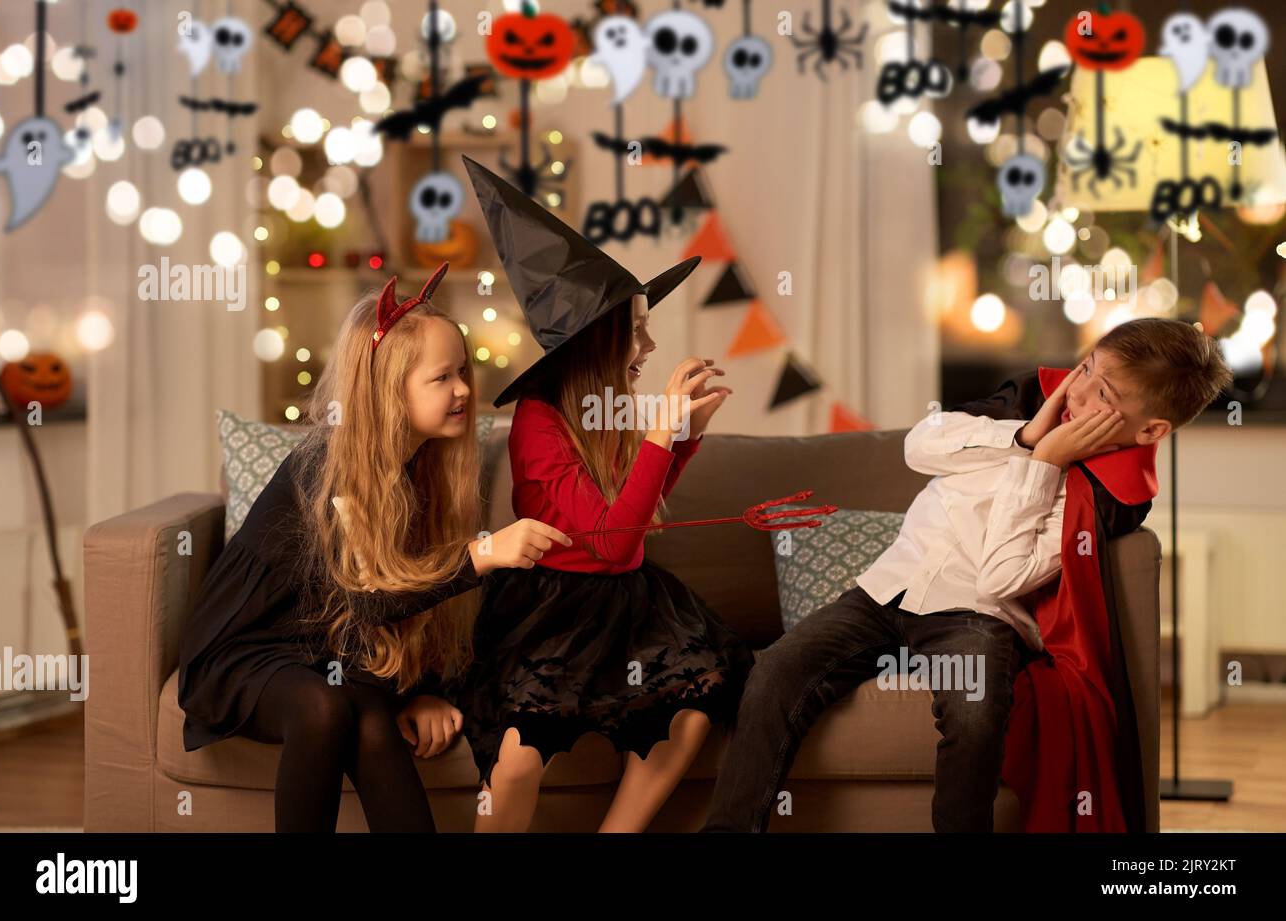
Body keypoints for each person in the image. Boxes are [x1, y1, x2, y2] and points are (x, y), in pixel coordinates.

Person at [702, 317, 1232, 832]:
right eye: (1086, 368)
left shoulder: (1108, 495)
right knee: (775, 671)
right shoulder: (1031, 400)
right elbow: (919, 447)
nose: (1079, 392)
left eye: (1105, 396)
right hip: (887, 588)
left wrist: (1045, 464)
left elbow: (999, 580)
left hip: (977, 616)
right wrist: (1026, 439)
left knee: (975, 713)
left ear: (1152, 429)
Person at [177, 264, 570, 832]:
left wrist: (425, 691)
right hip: (248, 650)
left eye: (463, 371)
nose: (463, 389)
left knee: (366, 715)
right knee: (324, 707)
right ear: (390, 391)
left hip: (331, 655)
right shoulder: (326, 470)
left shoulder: (427, 470)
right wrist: (481, 555)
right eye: (442, 378)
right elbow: (371, 600)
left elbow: (414, 613)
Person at [429, 155, 754, 832]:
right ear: (595, 341)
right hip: (556, 603)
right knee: (519, 757)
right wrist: (664, 436)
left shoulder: (611, 406)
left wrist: (682, 438)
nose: (650, 341)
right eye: (636, 328)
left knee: (689, 714)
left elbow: (636, 513)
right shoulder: (539, 421)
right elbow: (608, 541)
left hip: (631, 603)